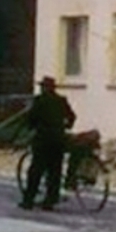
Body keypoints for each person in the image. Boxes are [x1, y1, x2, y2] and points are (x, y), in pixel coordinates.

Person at [20, 75, 76, 211]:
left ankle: (28, 200)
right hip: (58, 140)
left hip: (42, 140)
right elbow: (72, 116)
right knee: (54, 171)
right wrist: (66, 126)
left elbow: (31, 119)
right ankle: (50, 201)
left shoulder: (39, 101)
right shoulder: (61, 100)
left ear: (44, 88)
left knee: (36, 171)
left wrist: (31, 128)